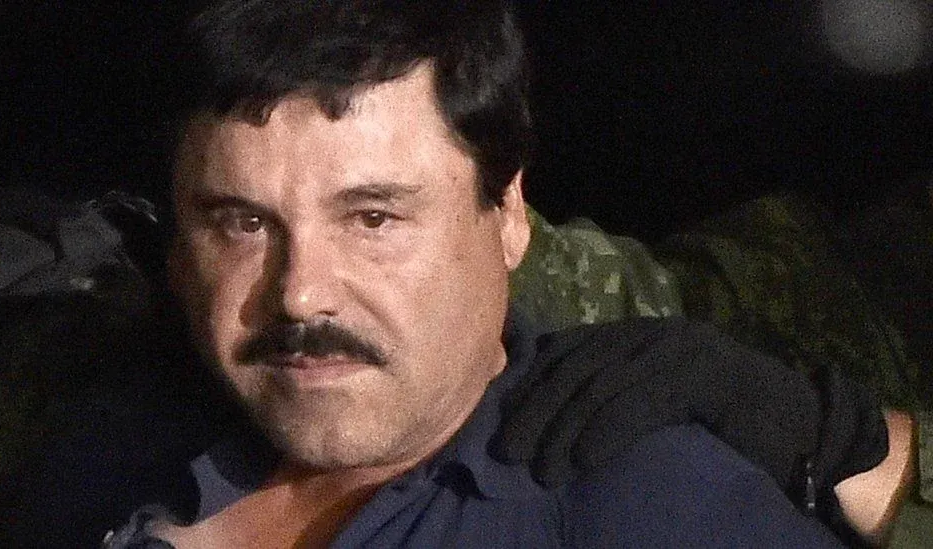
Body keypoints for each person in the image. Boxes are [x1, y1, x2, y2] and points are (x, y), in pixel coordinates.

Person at [90, 1, 883, 546]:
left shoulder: (651, 505)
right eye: (244, 223)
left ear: (507, 216)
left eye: (373, 219)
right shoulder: (101, 435)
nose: (301, 292)